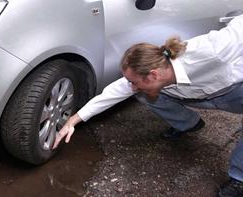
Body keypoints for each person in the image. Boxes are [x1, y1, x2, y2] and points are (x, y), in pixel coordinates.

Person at [52, 15, 243, 197]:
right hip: (195, 95)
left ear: (153, 75)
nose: (131, 86)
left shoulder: (212, 51)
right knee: (143, 94)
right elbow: (111, 94)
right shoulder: (152, 75)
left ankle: (238, 178)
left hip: (234, 91)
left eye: (134, 81)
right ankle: (190, 123)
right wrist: (74, 120)